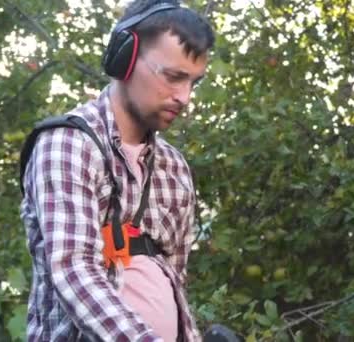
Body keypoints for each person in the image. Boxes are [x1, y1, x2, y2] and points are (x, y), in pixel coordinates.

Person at [20, 0, 214, 340]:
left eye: (193, 83)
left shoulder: (174, 168)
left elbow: (175, 278)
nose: (184, 97)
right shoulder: (67, 144)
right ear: (124, 59)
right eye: (173, 77)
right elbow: (74, 271)